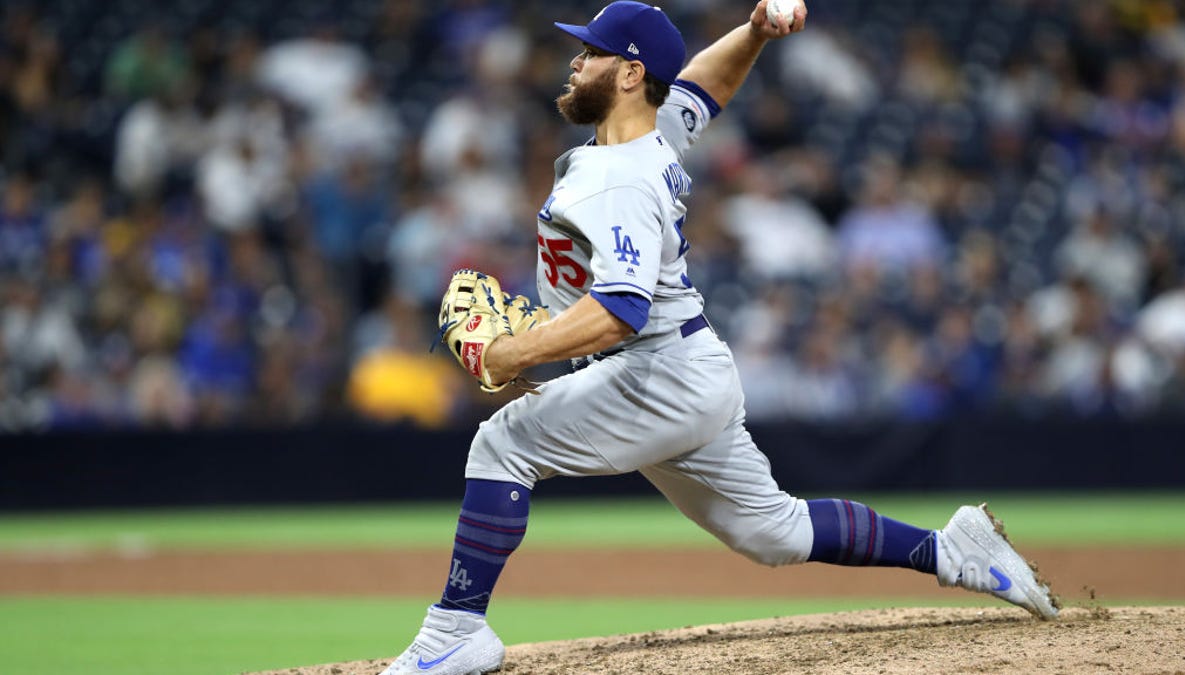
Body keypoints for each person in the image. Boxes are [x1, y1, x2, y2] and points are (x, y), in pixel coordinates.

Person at [379, 3, 1058, 674]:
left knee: (503, 442)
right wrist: (758, 30)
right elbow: (706, 83)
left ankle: (456, 626)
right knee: (776, 531)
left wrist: (510, 352)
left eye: (591, 52)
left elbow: (621, 309)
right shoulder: (650, 133)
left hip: (656, 369)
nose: (576, 61)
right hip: (681, 368)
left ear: (627, 74)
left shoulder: (615, 177)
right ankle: (951, 549)